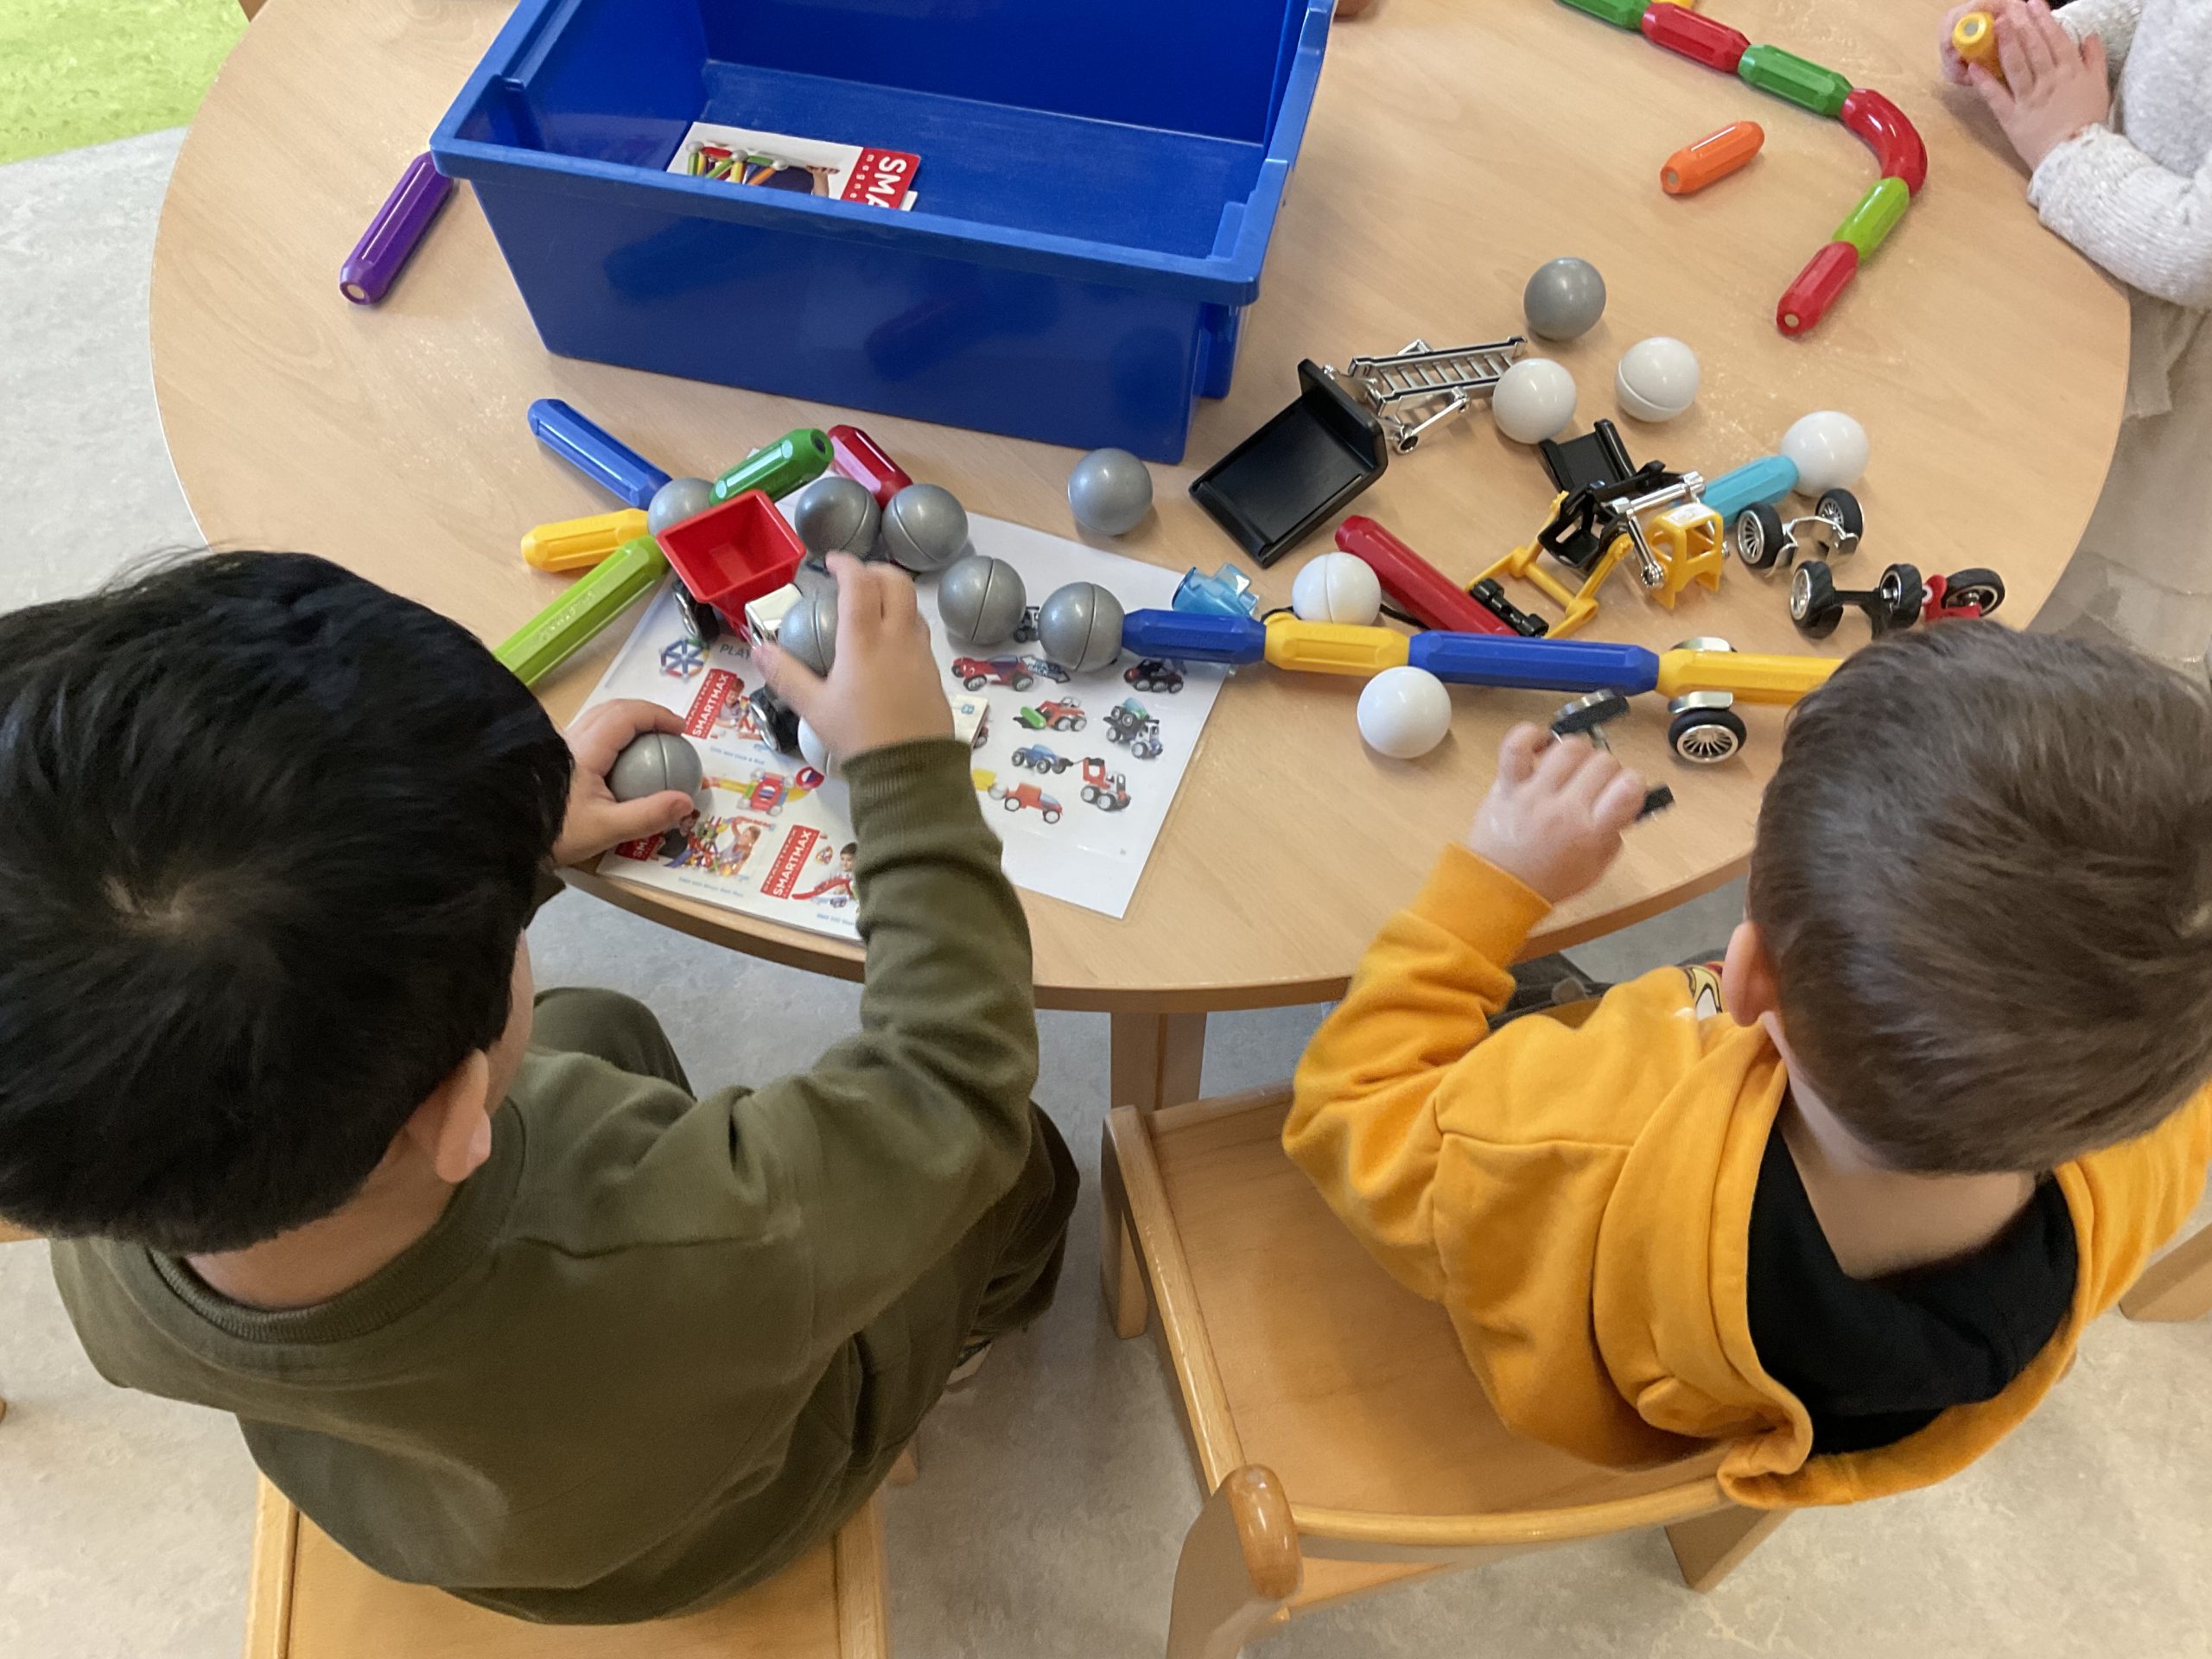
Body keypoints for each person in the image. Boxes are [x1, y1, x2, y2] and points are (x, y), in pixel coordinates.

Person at [0, 550, 1076, 1621]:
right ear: (456, 1118)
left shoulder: (93, 1177)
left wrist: (492, 848)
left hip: (464, 1494)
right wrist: (904, 767)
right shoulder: (702, 1243)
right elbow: (955, 1079)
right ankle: (975, 1333)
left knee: (600, 1027)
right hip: (710, 1518)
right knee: (1018, 1161)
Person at [1285, 625, 2212, 1505]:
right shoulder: (2158, 1142)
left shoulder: (1558, 1138)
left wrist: (1497, 883)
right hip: (1722, 1382)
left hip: (1567, 1308)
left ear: (1747, 978)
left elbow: (1349, 1108)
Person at [1942, 0, 2212, 665]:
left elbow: (2198, 252)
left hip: (2177, 379)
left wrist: (2069, 145)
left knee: (2094, 609)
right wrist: (2037, 52)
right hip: (2108, 248)